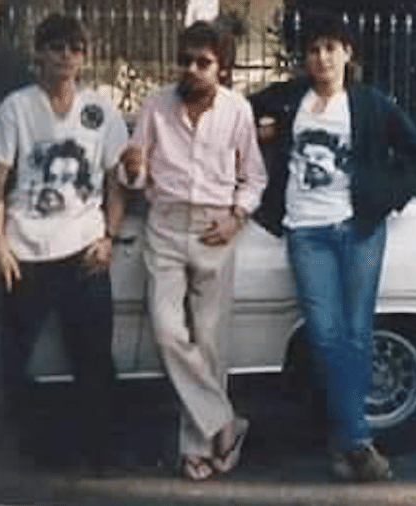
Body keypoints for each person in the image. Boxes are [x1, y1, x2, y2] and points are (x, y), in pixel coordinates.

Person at [249, 9, 416, 482]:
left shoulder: (371, 104)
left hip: (358, 230)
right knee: (325, 338)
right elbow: (238, 113)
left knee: (357, 335)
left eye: (330, 47)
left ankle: (346, 443)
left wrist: (386, 198)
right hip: (305, 232)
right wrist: (262, 131)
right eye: (313, 49)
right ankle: (355, 443)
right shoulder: (290, 98)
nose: (321, 57)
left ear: (347, 53)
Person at [0, 13, 130, 474]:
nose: (67, 55)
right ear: (39, 54)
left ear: (84, 56)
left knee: (94, 361)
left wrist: (109, 237)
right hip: (26, 254)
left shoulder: (99, 110)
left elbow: (117, 181)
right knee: (9, 360)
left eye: (75, 48)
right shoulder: (16, 109)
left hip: (85, 251)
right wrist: (0, 247)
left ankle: (99, 454)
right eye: (57, 46)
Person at [120, 20, 266, 481]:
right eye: (185, 60)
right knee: (167, 333)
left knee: (208, 342)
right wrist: (132, 169)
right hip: (164, 225)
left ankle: (197, 449)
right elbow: (135, 177)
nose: (192, 69)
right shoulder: (157, 105)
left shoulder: (238, 110)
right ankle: (226, 423)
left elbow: (255, 177)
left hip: (214, 229)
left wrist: (236, 217)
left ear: (222, 67)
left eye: (203, 62)